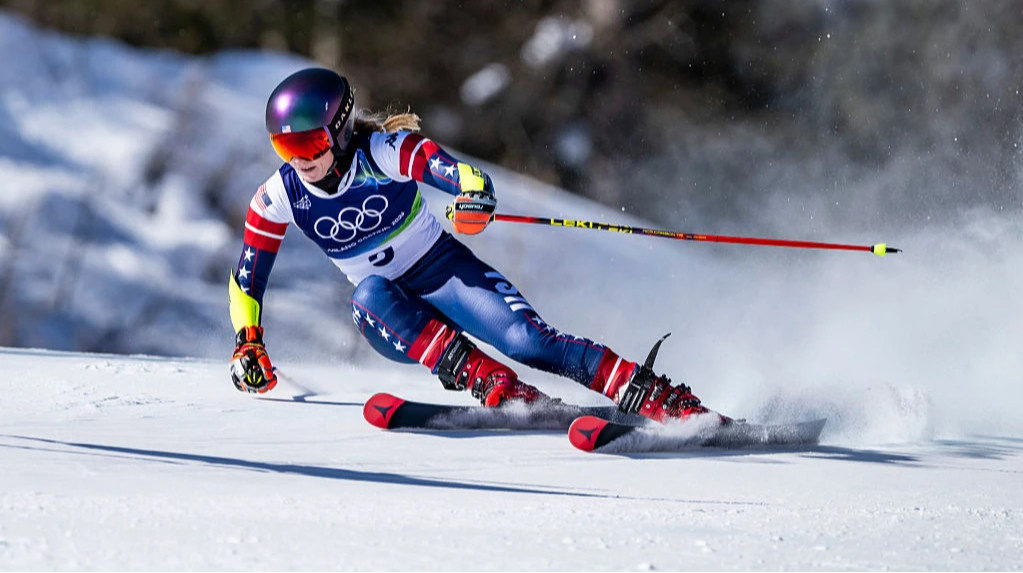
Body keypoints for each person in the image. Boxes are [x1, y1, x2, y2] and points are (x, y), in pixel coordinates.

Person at [228, 67, 708, 423]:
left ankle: (656, 398)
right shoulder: (279, 196)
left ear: (339, 129)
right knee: (368, 293)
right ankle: (495, 385)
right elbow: (247, 280)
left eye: (309, 144)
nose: (300, 160)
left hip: (445, 274)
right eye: (285, 148)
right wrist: (247, 343)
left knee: (530, 342)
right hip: (390, 318)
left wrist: (472, 192)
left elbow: (453, 170)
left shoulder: (383, 154)